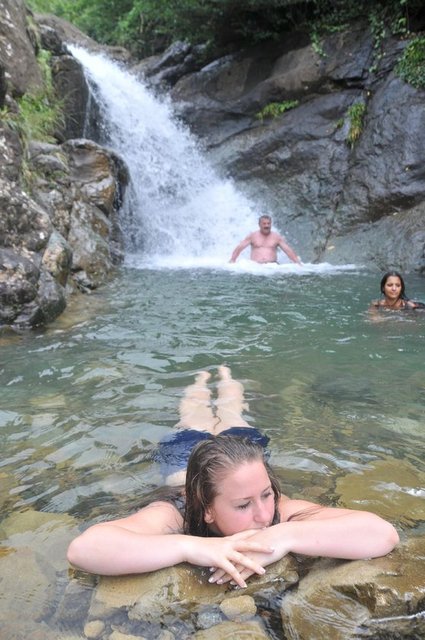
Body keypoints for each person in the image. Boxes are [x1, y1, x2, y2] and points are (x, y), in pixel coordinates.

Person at [67, 367, 399, 588]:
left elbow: (382, 534)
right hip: (183, 458)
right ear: (206, 509)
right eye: (243, 505)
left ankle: (225, 374)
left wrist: (285, 536)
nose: (264, 515)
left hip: (240, 451)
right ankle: (200, 380)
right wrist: (191, 547)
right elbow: (85, 550)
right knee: (193, 414)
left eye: (266, 494)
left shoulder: (280, 510)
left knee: (232, 410)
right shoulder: (176, 513)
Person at [229, 215, 302, 265]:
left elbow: (288, 251)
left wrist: (297, 263)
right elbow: (239, 248)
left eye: (268, 223)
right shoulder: (252, 236)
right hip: (255, 266)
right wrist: (232, 260)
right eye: (264, 224)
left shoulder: (276, 237)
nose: (267, 225)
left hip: (272, 266)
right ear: (259, 224)